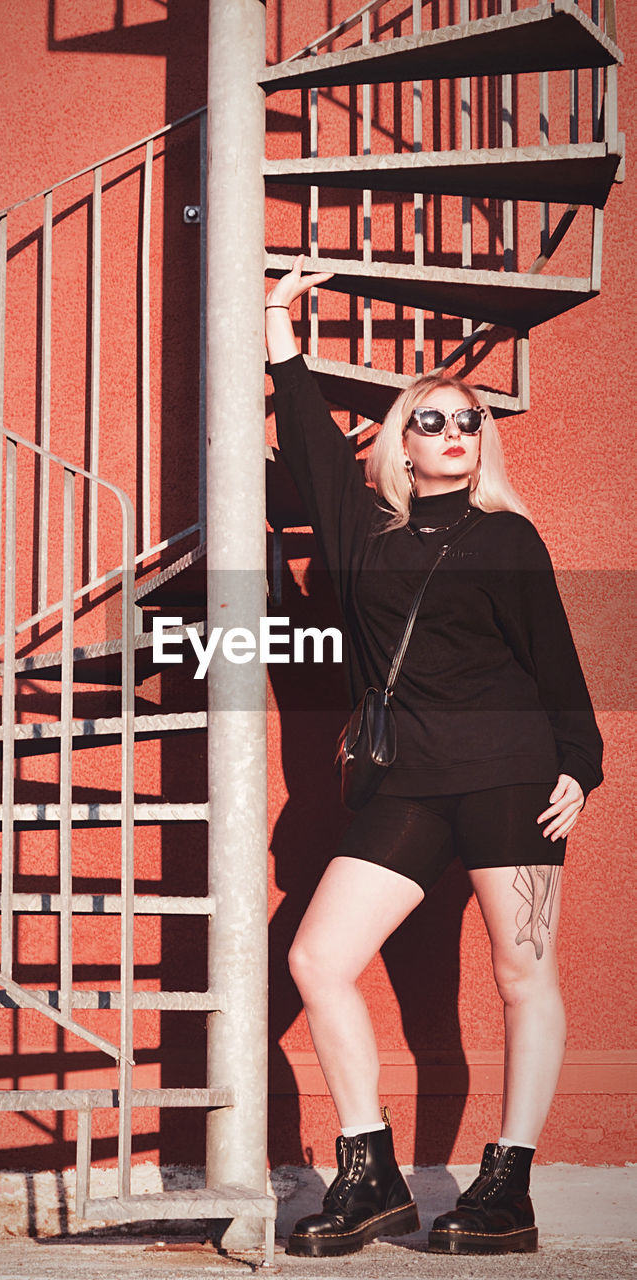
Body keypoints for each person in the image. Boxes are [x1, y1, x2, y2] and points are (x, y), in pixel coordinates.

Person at [265, 256, 604, 1258]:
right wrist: (278, 321)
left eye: (466, 421)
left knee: (519, 973)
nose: (452, 432)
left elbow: (552, 661)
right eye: (429, 419)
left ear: (479, 442)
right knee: (317, 957)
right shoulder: (359, 531)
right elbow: (308, 430)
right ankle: (367, 1173)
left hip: (508, 769)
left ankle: (506, 1186)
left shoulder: (509, 537)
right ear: (400, 445)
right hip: (405, 780)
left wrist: (576, 768)